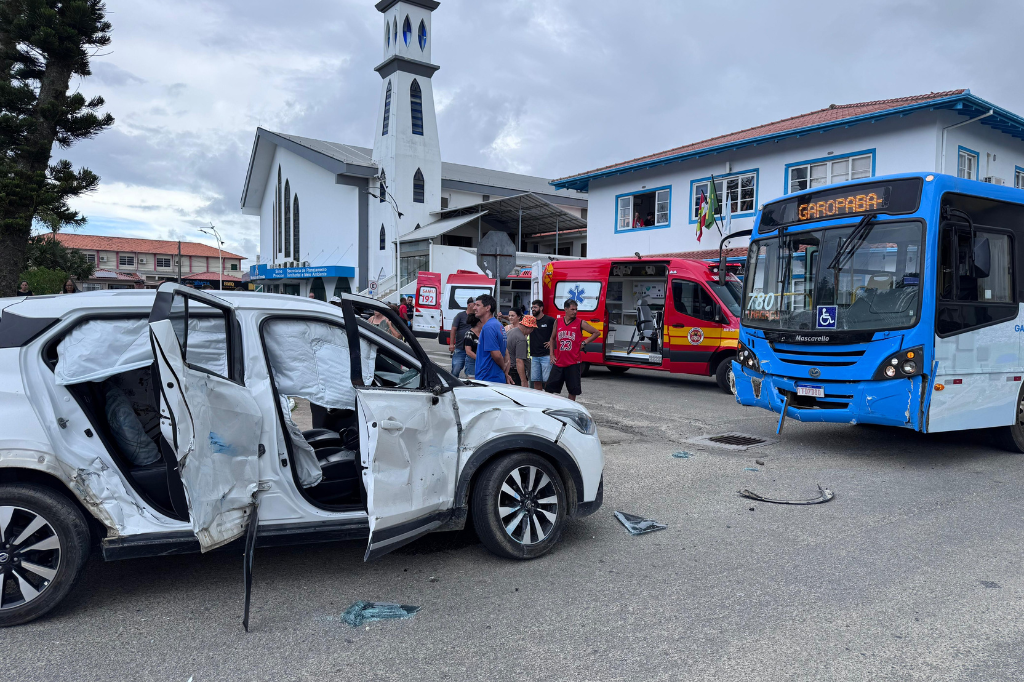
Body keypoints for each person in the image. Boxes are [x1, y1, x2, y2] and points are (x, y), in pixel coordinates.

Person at [545, 299, 599, 401]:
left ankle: (570, 410)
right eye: (572, 309)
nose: (575, 311)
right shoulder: (558, 321)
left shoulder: (580, 323)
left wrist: (584, 343)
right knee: (550, 388)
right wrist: (551, 354)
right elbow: (552, 339)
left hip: (573, 362)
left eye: (576, 309)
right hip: (559, 362)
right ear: (565, 309)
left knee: (573, 390)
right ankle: (551, 408)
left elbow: (596, 332)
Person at [473, 294, 509, 384]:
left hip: (488, 379)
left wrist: (503, 367)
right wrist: (505, 372)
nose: (474, 308)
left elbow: (496, 354)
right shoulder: (498, 325)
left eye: (478, 305)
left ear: (487, 308)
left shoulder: (488, 327)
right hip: (496, 377)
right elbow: (506, 352)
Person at [529, 299, 555, 390]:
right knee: (536, 380)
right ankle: (538, 400)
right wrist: (504, 317)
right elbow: (515, 318)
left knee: (547, 381)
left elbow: (560, 330)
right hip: (534, 356)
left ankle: (548, 399)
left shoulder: (550, 320)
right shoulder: (531, 321)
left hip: (546, 355)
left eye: (535, 307)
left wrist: (552, 342)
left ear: (541, 308)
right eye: (532, 307)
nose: (533, 309)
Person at [448, 297, 475, 378]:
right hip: (460, 348)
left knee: (471, 373)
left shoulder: (476, 317)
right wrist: (451, 344)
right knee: (455, 370)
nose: (476, 307)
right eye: (475, 304)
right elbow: (453, 329)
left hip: (471, 349)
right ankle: (452, 384)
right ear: (469, 305)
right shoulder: (460, 315)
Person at [507, 315, 535, 388]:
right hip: (514, 372)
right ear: (529, 327)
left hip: (507, 369)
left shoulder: (510, 332)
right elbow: (519, 360)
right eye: (532, 329)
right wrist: (523, 380)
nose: (532, 331)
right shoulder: (521, 339)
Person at [463, 310, 482, 379]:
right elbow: (468, 351)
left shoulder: (483, 333)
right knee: (473, 381)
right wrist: (479, 359)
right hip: (472, 362)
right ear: (478, 323)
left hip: (482, 362)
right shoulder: (469, 334)